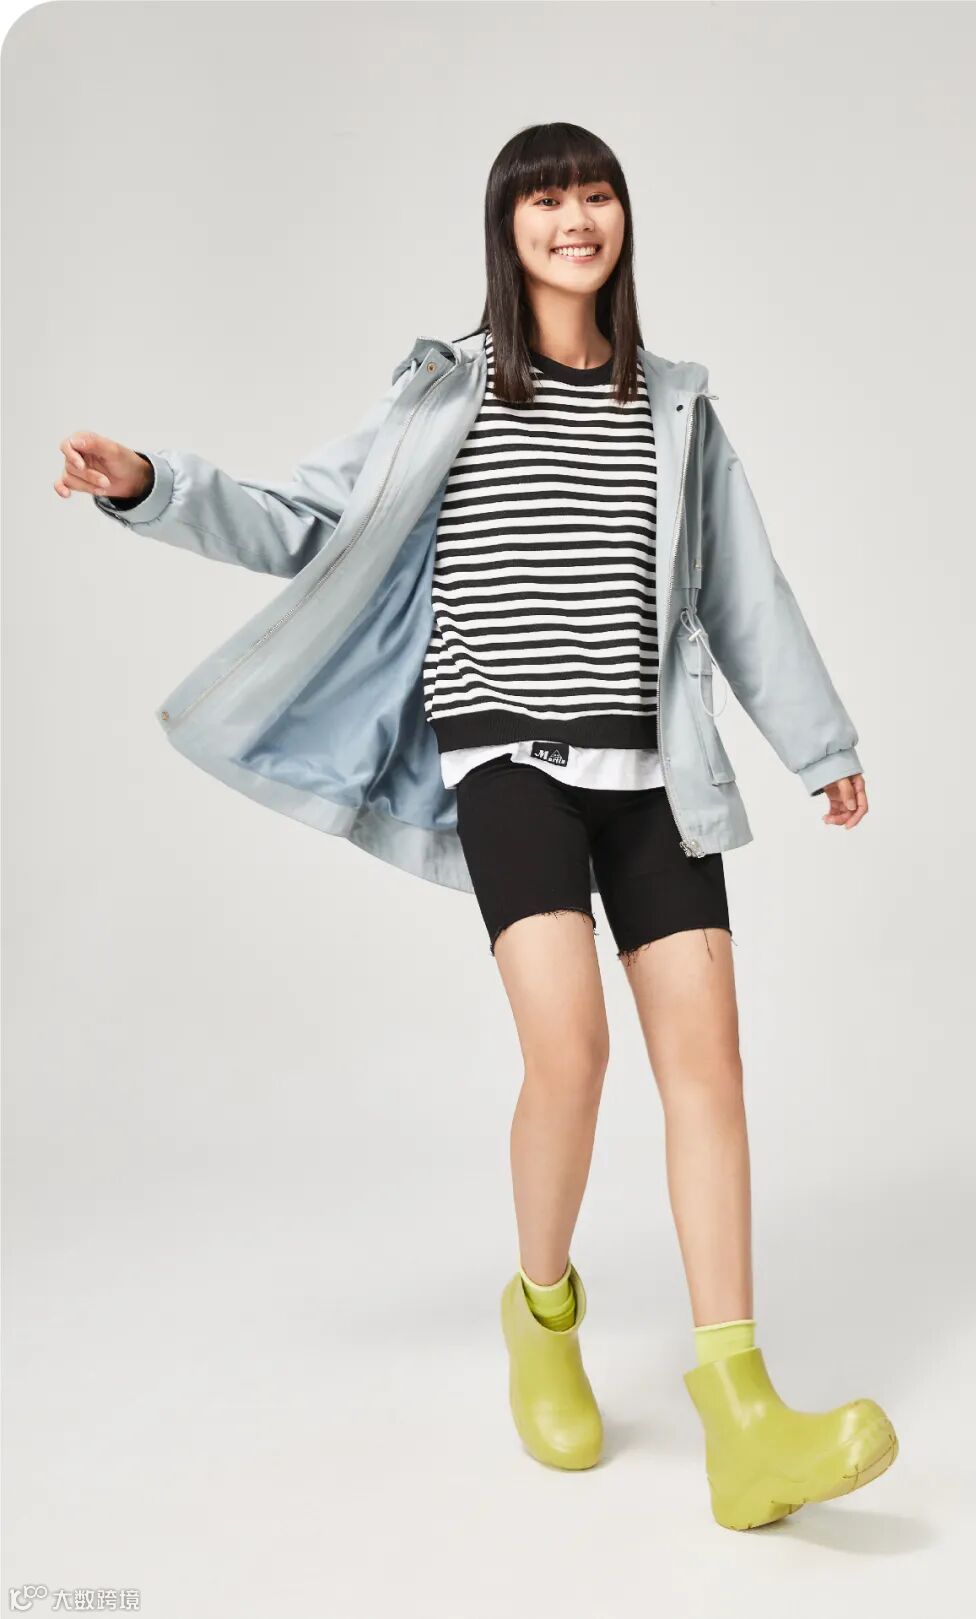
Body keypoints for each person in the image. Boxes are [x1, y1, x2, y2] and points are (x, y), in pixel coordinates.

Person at [55, 121, 897, 1531]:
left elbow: (748, 588)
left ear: (624, 217)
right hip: (506, 760)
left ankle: (742, 1415)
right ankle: (543, 1313)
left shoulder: (676, 406)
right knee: (571, 1052)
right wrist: (153, 484)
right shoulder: (450, 393)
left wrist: (822, 744)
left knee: (710, 1067)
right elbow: (305, 521)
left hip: (653, 767)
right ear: (508, 229)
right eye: (547, 200)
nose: (577, 219)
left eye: (597, 194)